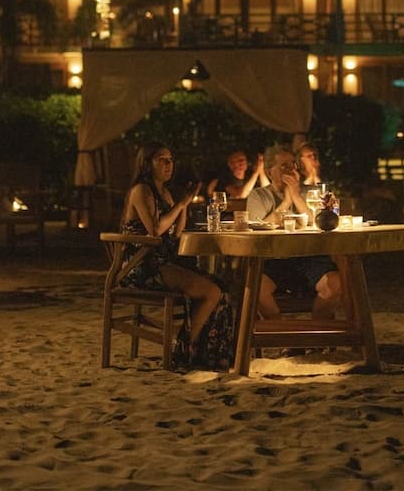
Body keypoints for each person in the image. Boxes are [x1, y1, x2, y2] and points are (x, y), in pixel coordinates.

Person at [121, 141, 233, 369]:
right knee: (210, 292)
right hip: (141, 264)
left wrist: (184, 204)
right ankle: (184, 349)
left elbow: (176, 232)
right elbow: (155, 229)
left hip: (162, 260)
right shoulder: (141, 190)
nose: (168, 164)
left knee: (221, 289)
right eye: (161, 160)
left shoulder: (164, 192)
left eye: (170, 160)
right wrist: (180, 204)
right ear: (147, 164)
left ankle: (206, 353)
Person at [246, 144, 342, 320]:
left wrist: (296, 196)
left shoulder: (311, 193)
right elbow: (258, 227)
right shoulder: (258, 196)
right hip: (276, 260)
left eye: (293, 165)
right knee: (255, 287)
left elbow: (318, 222)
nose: (290, 170)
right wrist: (286, 202)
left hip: (310, 258)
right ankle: (280, 331)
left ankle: (317, 332)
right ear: (269, 172)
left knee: (335, 283)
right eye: (284, 166)